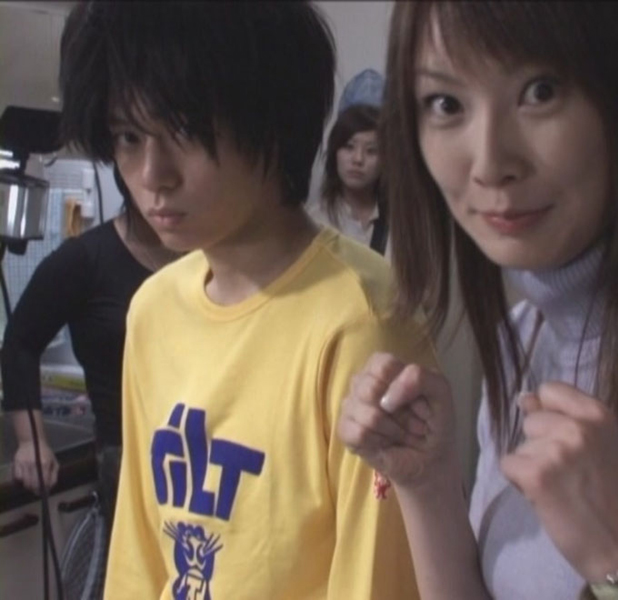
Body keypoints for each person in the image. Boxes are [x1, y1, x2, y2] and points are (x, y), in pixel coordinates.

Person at [337, 2, 618, 599]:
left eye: (541, 91)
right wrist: (426, 485)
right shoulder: (520, 335)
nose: (490, 163)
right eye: (447, 104)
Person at [57, 2, 432, 599]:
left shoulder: (361, 318)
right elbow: (137, 552)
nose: (152, 174)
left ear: (271, 121)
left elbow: (373, 581)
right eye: (128, 137)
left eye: (184, 130)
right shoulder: (153, 309)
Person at [1, 165, 177, 531]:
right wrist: (30, 440)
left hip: (209, 448)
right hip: (127, 456)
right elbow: (21, 341)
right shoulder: (85, 259)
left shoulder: (205, 252)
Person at [309, 104, 389, 255]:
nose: (358, 159)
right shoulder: (314, 221)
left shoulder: (402, 223)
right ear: (335, 153)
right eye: (349, 147)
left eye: (371, 151)